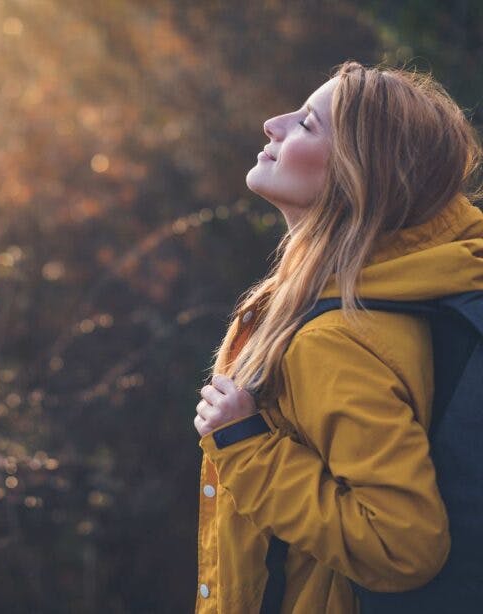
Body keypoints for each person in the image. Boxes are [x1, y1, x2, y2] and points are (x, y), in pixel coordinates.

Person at [193, 60, 483, 613]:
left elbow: (403, 546)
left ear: (359, 172)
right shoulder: (422, 283)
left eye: (306, 124)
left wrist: (247, 449)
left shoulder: (332, 341)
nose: (273, 124)